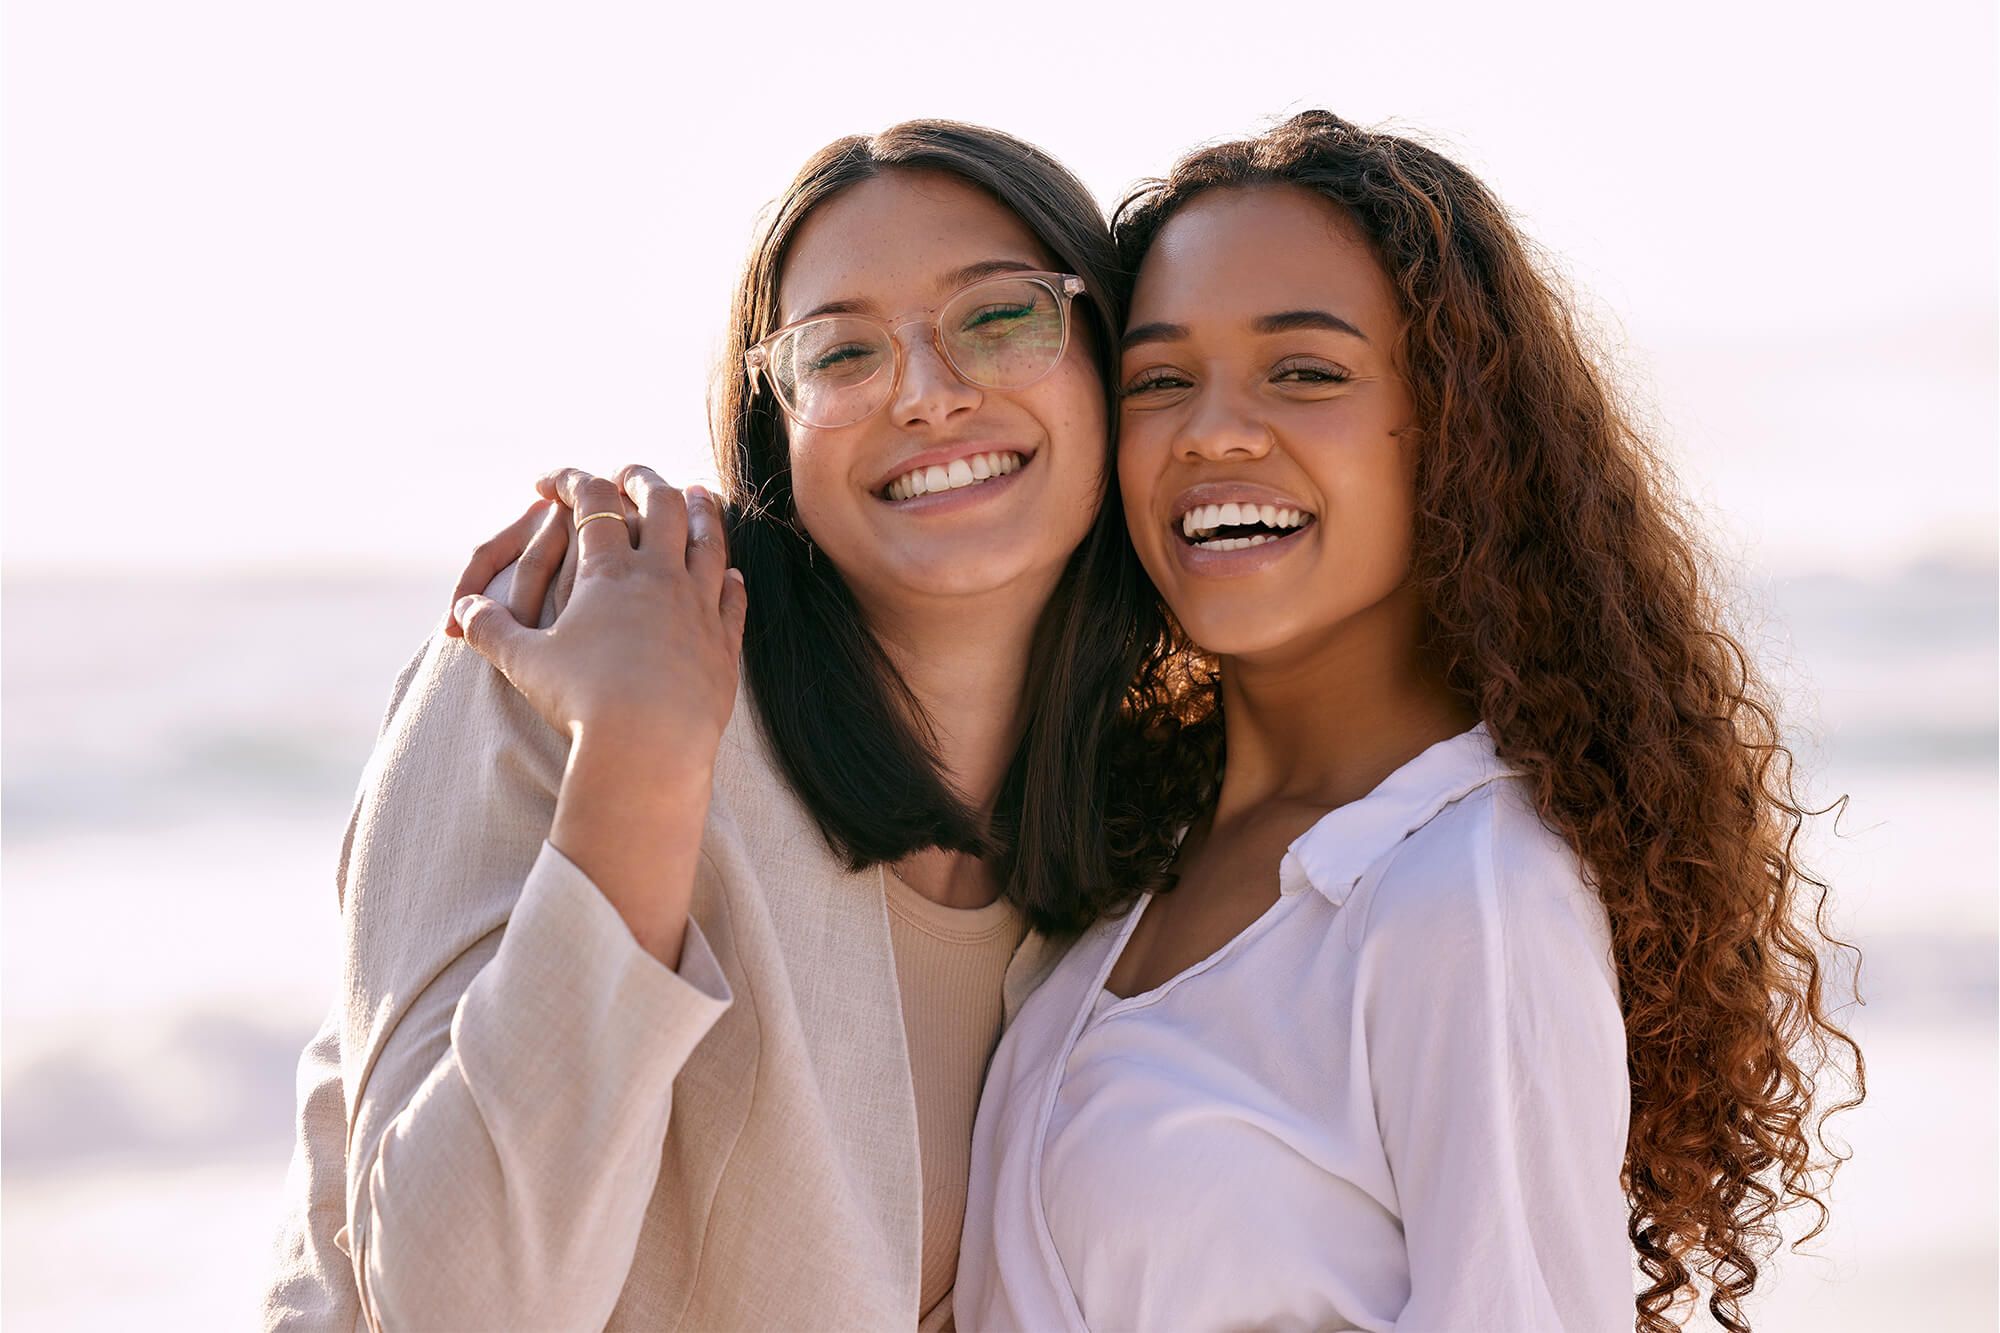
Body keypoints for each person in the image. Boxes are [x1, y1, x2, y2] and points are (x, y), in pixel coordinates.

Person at [259, 120, 1198, 1332]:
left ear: (1110, 360)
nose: (923, 393)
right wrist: (642, 767)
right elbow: (457, 1304)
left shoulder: (1142, 835)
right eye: (840, 351)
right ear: (777, 426)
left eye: (1000, 316)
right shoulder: (571, 651)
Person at [952, 111, 1864, 1333]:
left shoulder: (1464, 889)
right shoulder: (1115, 856)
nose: (1211, 429)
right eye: (1158, 380)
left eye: (1305, 371)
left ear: (1456, 434)